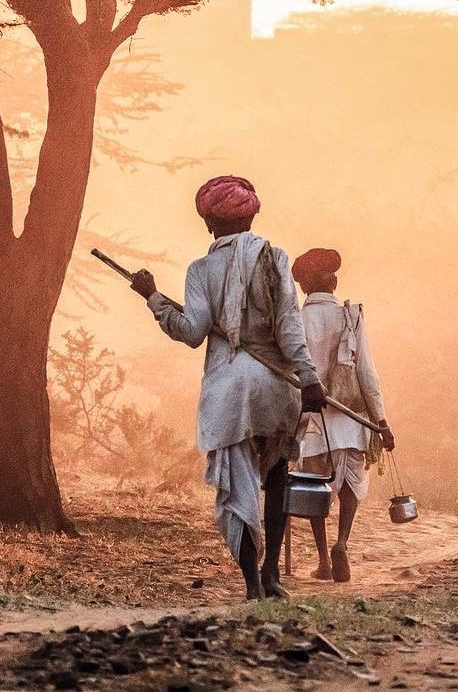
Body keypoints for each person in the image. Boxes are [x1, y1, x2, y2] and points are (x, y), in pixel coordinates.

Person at [129, 175, 325, 600]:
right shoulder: (275, 257)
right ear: (253, 216)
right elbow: (291, 331)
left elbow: (191, 331)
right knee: (276, 479)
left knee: (237, 487)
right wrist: (309, 379)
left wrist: (152, 297)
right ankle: (273, 574)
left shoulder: (200, 270)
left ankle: (252, 584)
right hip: (277, 388)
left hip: (230, 394)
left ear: (208, 224)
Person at [291, 248, 395, 583]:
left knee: (315, 489)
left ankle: (324, 559)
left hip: (312, 422)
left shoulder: (296, 320)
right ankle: (342, 542)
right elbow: (367, 374)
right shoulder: (350, 316)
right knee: (350, 485)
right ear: (330, 283)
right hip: (351, 420)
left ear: (305, 286)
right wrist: (382, 422)